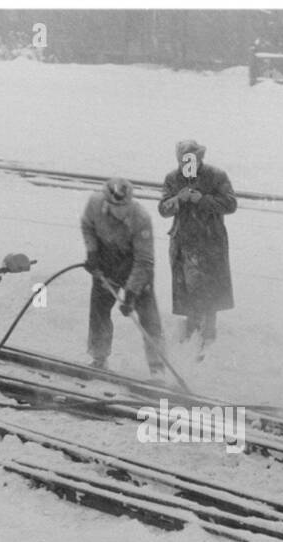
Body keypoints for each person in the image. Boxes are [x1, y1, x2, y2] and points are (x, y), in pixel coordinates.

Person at [158, 140, 236, 360]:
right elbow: (163, 209)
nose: (188, 164)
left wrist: (203, 199)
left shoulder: (216, 176)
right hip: (183, 243)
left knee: (209, 294)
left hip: (209, 243)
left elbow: (230, 204)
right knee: (188, 293)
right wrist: (177, 200)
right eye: (184, 160)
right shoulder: (172, 179)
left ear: (200, 158)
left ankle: (207, 339)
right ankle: (191, 335)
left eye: (192, 159)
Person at [80, 178, 166, 376]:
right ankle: (99, 358)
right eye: (115, 206)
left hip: (135, 264)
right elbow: (87, 226)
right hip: (106, 262)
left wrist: (132, 293)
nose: (121, 211)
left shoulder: (141, 218)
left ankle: (157, 367)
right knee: (99, 310)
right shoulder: (94, 204)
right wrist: (92, 253)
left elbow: (144, 260)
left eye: (124, 206)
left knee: (149, 316)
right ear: (107, 202)